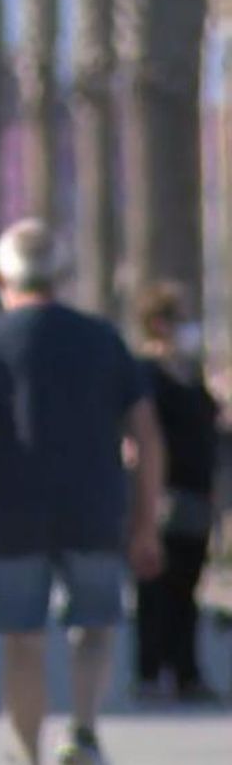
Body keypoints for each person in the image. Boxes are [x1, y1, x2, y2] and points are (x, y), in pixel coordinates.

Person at [0, 219, 166, 765]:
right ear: (62, 277)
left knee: (22, 640)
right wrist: (145, 522)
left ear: (2, 278)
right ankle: (83, 730)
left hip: (13, 515)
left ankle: (27, 752)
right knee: (93, 627)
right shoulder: (103, 339)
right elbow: (147, 435)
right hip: (95, 509)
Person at [131, 283, 222, 703]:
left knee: (188, 586)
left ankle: (187, 672)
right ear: (159, 323)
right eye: (180, 317)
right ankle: (150, 671)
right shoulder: (145, 375)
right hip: (161, 493)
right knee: (155, 586)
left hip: (196, 492)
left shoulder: (191, 375)